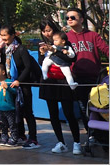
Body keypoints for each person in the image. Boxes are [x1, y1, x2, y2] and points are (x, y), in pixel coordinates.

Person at [65, 7, 109, 152]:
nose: (69, 20)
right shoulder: (66, 37)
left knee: (99, 106)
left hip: (95, 79)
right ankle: (91, 135)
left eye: (73, 17)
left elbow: (106, 49)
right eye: (67, 18)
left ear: (82, 19)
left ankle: (102, 135)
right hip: (77, 79)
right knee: (84, 108)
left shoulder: (92, 35)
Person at [37, 17, 81, 155]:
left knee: (69, 112)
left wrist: (55, 50)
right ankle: (60, 142)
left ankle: (77, 142)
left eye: (49, 30)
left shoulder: (63, 41)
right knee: (53, 114)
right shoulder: (43, 43)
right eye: (44, 31)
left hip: (63, 82)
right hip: (50, 82)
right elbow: (40, 61)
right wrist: (42, 53)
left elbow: (72, 58)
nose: (47, 33)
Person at [0, 24, 41, 149]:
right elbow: (3, 66)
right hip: (11, 84)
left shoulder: (21, 49)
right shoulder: (4, 49)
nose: (3, 38)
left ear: (12, 35)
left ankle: (33, 138)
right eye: (1, 35)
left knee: (28, 112)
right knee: (16, 111)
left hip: (23, 85)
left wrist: (19, 80)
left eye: (5, 35)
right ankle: (20, 135)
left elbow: (28, 67)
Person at [0, 63, 20, 147]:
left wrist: (7, 87)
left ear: (3, 72)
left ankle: (14, 137)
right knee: (3, 124)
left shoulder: (9, 82)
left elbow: (15, 92)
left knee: (12, 124)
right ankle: (4, 136)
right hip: (0, 108)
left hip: (9, 108)